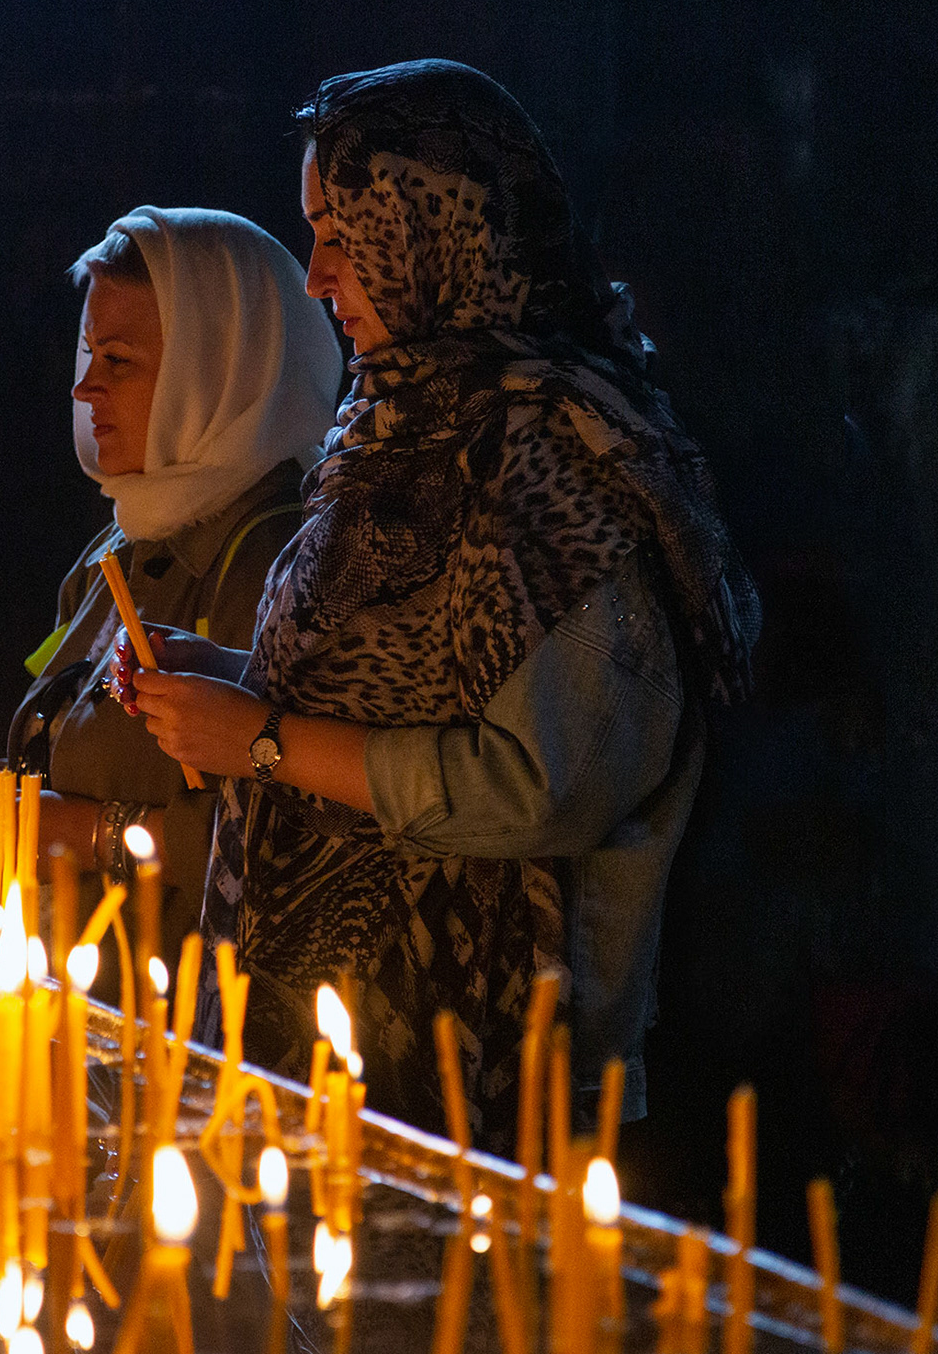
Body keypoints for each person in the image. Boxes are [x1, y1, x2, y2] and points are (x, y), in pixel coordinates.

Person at [116, 61, 759, 1144]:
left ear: (434, 230)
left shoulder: (561, 454)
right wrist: (231, 683)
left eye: (341, 233)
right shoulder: (386, 429)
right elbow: (391, 683)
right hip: (321, 1048)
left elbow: (543, 785)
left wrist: (265, 739)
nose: (319, 277)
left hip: (490, 1084)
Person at [0, 207, 343, 967]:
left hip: (199, 1040)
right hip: (81, 1008)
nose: (84, 389)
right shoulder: (118, 547)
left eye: (117, 360)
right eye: (86, 354)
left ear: (212, 370)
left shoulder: (284, 563)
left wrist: (72, 830)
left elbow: (298, 832)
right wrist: (0, 807)